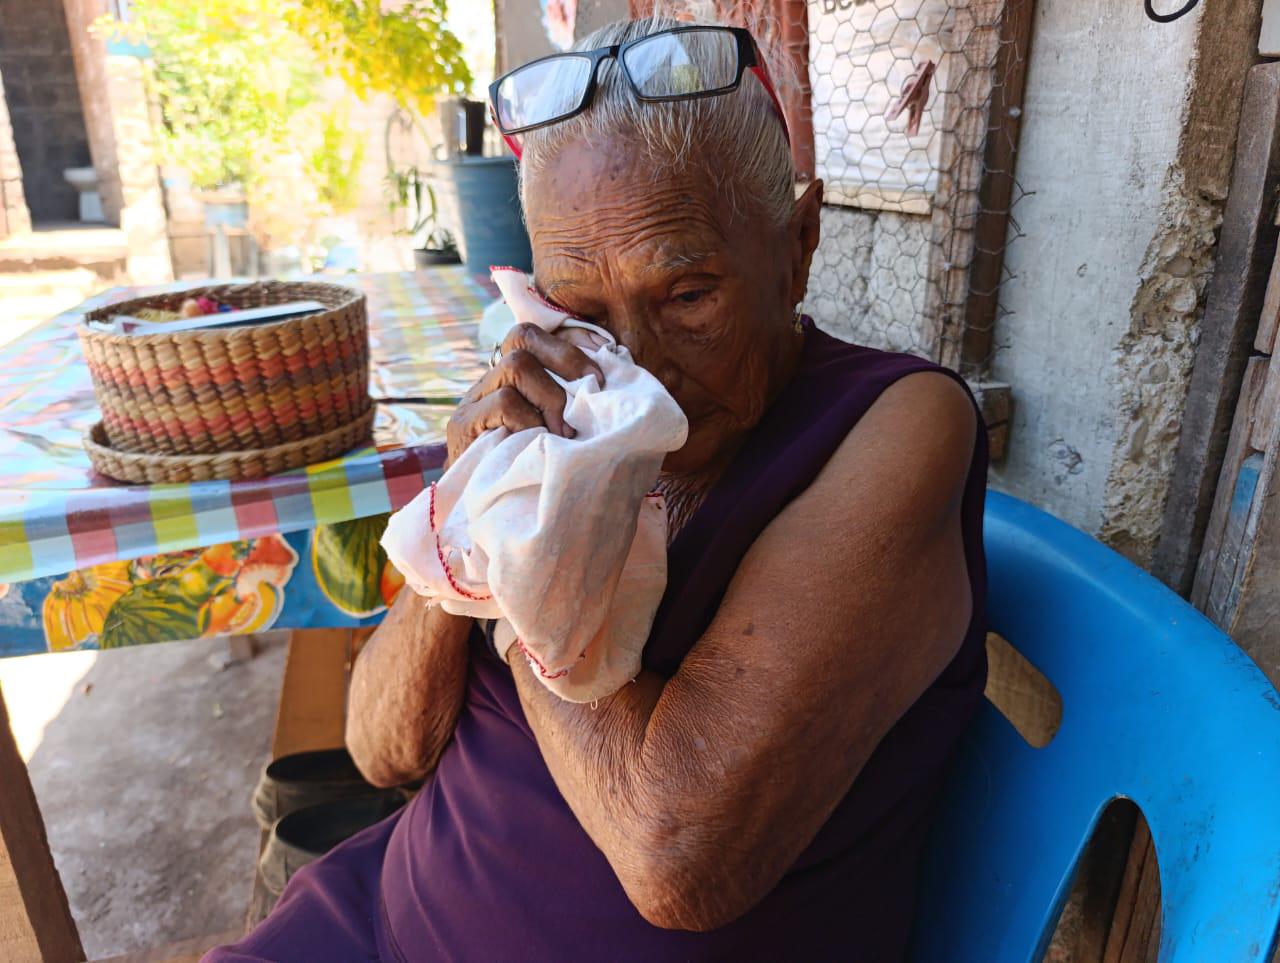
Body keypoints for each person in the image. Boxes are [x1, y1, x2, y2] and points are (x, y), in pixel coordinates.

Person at [208, 9, 987, 961]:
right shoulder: (536, 409)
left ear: (798, 245)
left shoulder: (897, 425)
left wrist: (515, 566)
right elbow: (382, 750)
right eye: (581, 308)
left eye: (689, 295)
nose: (638, 370)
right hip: (383, 912)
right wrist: (471, 495)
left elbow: (676, 855)